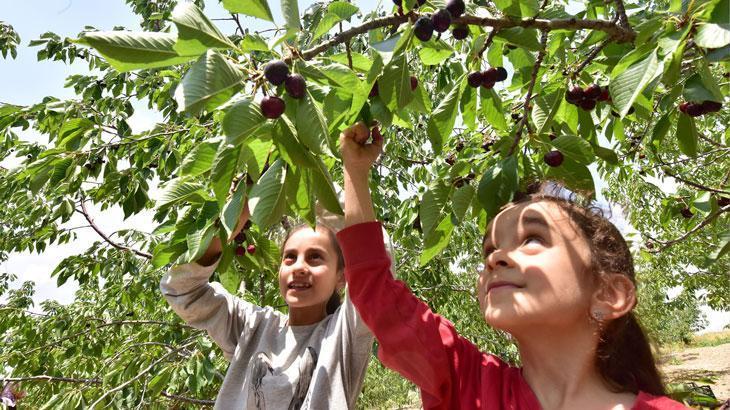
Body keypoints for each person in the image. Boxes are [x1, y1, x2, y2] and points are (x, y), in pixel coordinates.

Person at [336, 122, 688, 409]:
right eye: (490, 248)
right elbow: (377, 292)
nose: (495, 257)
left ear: (609, 293)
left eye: (533, 238)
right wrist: (355, 171)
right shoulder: (466, 382)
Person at [160, 198, 374, 409]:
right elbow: (181, 289)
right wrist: (240, 209)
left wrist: (311, 182)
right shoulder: (252, 326)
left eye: (315, 257)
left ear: (341, 277)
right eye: (289, 257)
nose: (299, 267)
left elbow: (376, 264)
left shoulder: (344, 335)